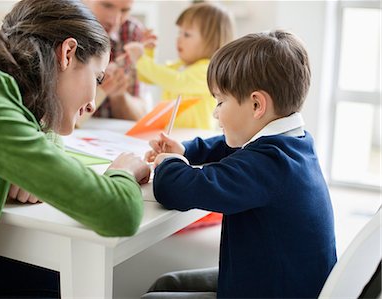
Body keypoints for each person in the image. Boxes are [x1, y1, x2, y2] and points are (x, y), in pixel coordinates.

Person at [0, 0, 151, 298]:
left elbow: (47, 136)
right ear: (68, 53)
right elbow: (118, 213)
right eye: (96, 78)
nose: (91, 103)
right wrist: (124, 171)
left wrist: (17, 166)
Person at [141, 30, 337, 298]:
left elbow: (179, 189)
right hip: (284, 279)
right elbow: (232, 145)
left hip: (274, 290)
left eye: (220, 101)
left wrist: (169, 162)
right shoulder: (294, 142)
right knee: (168, 283)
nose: (215, 112)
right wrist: (187, 149)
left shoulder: (268, 165)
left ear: (256, 104)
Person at [124, 2, 234, 130]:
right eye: (179, 33)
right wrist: (147, 53)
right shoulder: (179, 66)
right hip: (174, 134)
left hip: (196, 137)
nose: (178, 39)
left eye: (186, 34)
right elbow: (147, 78)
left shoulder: (210, 71)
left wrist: (141, 60)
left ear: (211, 41)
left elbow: (176, 81)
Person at [79, 0, 148, 121]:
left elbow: (140, 116)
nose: (115, 20)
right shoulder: (59, 27)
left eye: (125, 10)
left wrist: (118, 95)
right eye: (107, 5)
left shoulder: (132, 33)